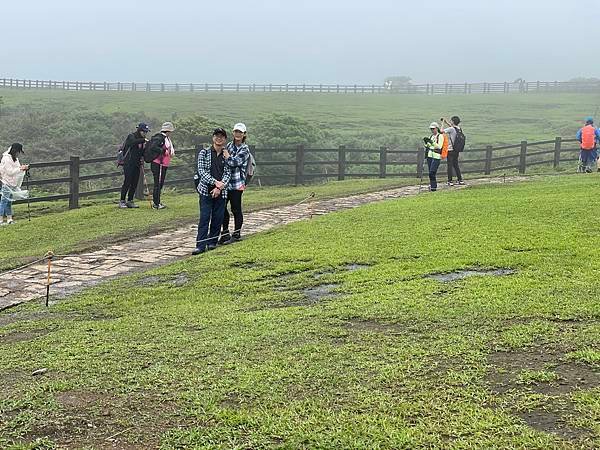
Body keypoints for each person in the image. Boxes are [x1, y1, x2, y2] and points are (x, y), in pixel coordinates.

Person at [192, 128, 232, 255]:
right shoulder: (204, 153)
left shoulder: (227, 155)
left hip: (221, 191)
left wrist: (219, 187)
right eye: (216, 136)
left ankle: (212, 242)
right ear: (213, 138)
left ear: (225, 139)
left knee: (217, 217)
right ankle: (200, 245)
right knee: (204, 217)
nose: (219, 138)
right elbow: (202, 171)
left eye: (222, 136)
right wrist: (215, 183)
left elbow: (228, 172)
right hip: (205, 190)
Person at [219, 123, 251, 245]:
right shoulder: (228, 146)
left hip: (237, 183)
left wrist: (228, 157)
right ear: (233, 133)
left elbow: (235, 162)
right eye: (236, 132)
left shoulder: (244, 149)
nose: (238, 134)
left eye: (240, 132)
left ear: (244, 134)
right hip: (226, 182)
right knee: (222, 207)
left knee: (236, 208)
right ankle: (225, 232)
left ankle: (237, 233)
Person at [118, 123, 150, 208]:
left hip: (137, 164)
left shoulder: (142, 140)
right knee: (127, 181)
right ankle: (122, 201)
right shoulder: (131, 136)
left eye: (146, 132)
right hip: (128, 163)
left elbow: (142, 152)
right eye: (144, 131)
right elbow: (132, 143)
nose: (145, 133)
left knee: (134, 182)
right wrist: (143, 140)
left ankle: (130, 200)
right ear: (139, 130)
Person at [0, 143, 29, 225]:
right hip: (6, 182)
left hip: (13, 183)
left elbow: (17, 168)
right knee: (4, 201)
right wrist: (20, 168)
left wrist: (22, 168)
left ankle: (9, 219)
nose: (18, 154)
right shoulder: (6, 159)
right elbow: (10, 172)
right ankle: (1, 220)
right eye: (18, 152)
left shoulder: (15, 158)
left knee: (9, 202)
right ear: (14, 150)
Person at [151, 122, 175, 209]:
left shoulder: (166, 138)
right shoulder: (160, 138)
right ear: (168, 131)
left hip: (163, 164)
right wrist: (163, 151)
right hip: (158, 163)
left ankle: (157, 201)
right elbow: (153, 147)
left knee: (160, 183)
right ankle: (156, 204)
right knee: (158, 183)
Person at [441, 116, 465, 186]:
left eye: (451, 120)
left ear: (453, 121)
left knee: (449, 165)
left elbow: (441, 131)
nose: (450, 121)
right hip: (456, 150)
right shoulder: (459, 129)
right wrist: (446, 122)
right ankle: (460, 180)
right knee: (456, 165)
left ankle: (450, 181)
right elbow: (452, 128)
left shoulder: (451, 129)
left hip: (450, 150)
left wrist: (442, 123)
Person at [423, 122, 445, 192]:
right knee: (430, 172)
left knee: (432, 172)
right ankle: (432, 185)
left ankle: (433, 187)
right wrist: (426, 143)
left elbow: (439, 146)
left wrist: (432, 142)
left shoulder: (440, 136)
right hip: (430, 155)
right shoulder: (431, 136)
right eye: (431, 129)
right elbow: (429, 146)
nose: (432, 130)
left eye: (433, 129)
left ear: (437, 128)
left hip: (436, 156)